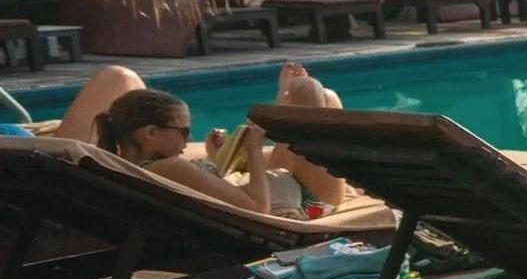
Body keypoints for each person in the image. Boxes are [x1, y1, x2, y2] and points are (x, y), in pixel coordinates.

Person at [86, 63, 354, 212]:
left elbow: (218, 192)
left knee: (317, 98)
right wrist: (252, 149)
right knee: (310, 90)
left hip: (284, 184)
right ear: (151, 133)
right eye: (183, 132)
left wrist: (218, 158)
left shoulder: (121, 166)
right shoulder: (170, 167)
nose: (186, 141)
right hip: (308, 201)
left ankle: (282, 105)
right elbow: (257, 208)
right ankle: (282, 104)